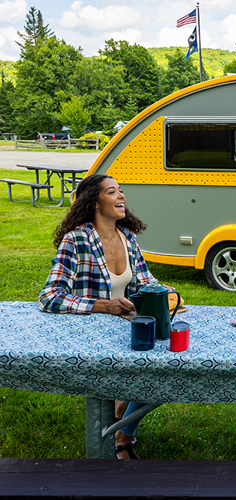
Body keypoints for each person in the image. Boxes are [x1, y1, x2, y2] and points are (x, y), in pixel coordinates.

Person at [39, 174, 155, 460]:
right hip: (91, 334)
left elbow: (146, 283)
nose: (121, 197)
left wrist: (165, 294)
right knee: (150, 371)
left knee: (168, 366)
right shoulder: (75, 240)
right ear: (94, 202)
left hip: (127, 328)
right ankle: (123, 435)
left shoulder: (127, 238)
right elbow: (50, 296)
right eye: (112, 192)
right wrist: (103, 306)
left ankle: (122, 418)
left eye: (121, 191)